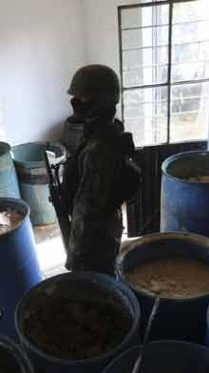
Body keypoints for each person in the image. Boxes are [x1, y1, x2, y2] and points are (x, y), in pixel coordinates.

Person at [61, 64, 140, 276]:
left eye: (82, 97)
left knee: (96, 283)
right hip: (107, 225)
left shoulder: (98, 149)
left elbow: (87, 209)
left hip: (96, 237)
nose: (75, 102)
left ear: (99, 102)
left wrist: (75, 254)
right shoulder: (107, 129)